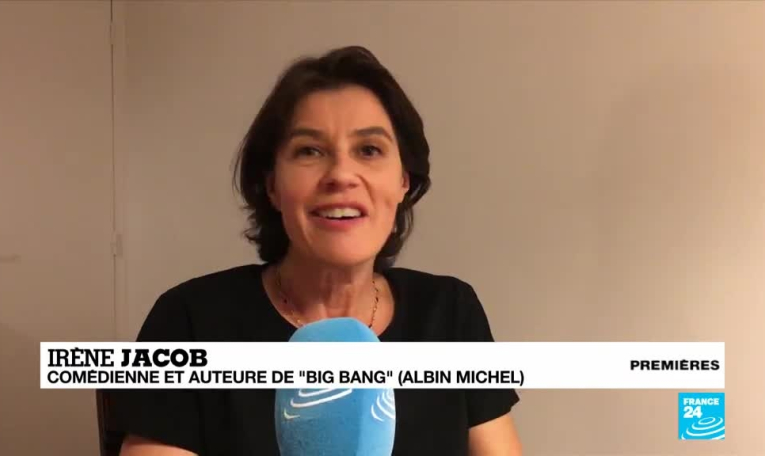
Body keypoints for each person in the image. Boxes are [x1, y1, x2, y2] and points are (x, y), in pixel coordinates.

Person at [113, 45, 522, 456]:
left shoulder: (451, 312)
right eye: (309, 151)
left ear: (404, 180)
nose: (341, 175)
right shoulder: (190, 320)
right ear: (272, 185)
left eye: (369, 150)